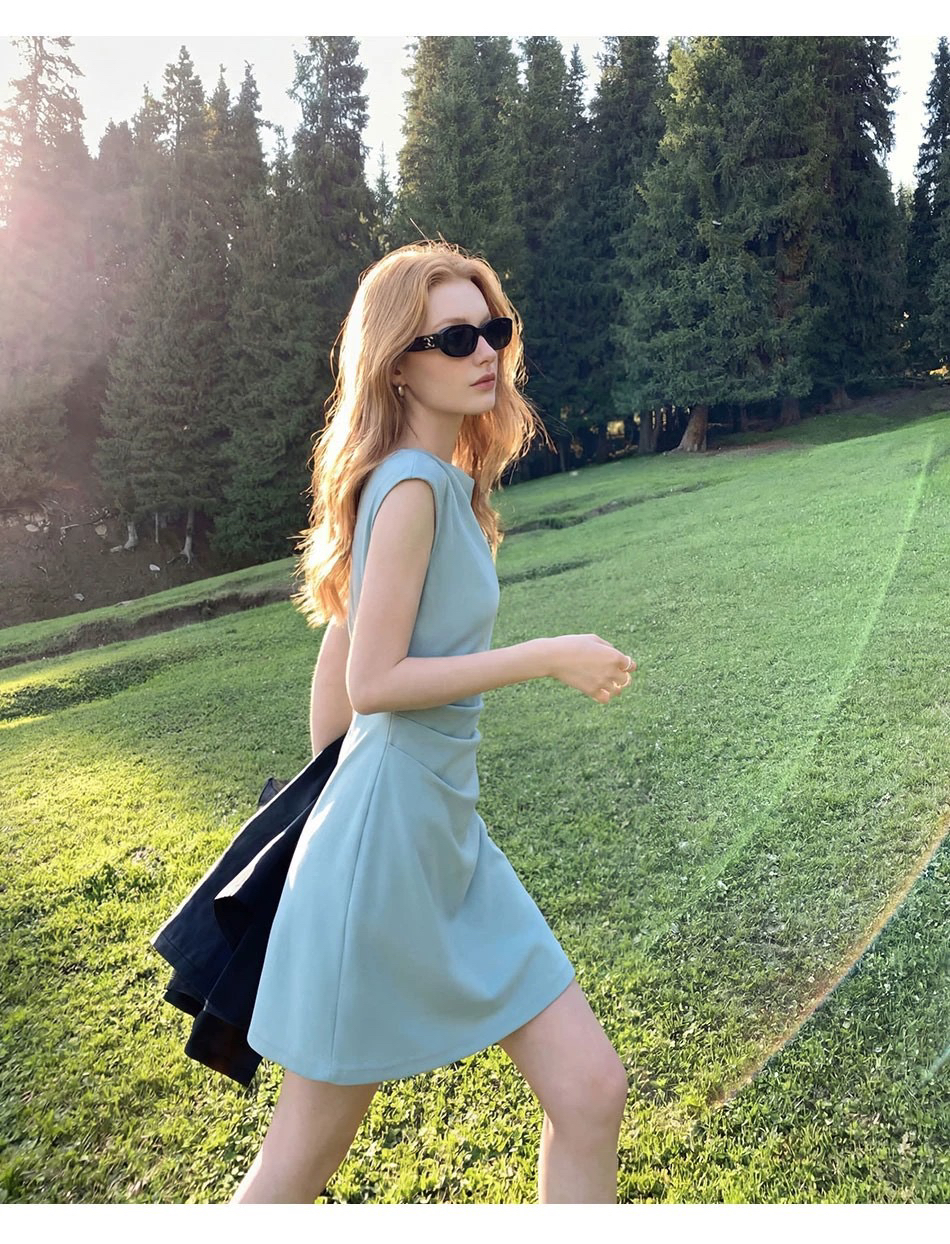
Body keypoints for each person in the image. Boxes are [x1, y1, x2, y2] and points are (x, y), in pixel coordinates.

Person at [231, 240, 637, 1205]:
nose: (484, 351)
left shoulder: (427, 482)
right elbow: (372, 678)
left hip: (438, 834)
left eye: (493, 329)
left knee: (591, 1091)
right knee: (297, 1163)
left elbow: (339, 649)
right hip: (388, 850)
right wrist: (548, 654)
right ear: (398, 365)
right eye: (455, 338)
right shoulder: (410, 487)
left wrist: (332, 795)